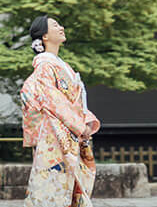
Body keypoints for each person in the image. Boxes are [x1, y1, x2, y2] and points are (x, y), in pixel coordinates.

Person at [20, 15, 100, 207]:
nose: (61, 27)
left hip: (70, 132)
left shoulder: (60, 65)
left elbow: (76, 100)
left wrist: (85, 121)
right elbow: (52, 99)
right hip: (55, 135)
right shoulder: (44, 66)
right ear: (44, 36)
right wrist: (80, 124)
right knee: (54, 188)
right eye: (55, 25)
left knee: (70, 186)